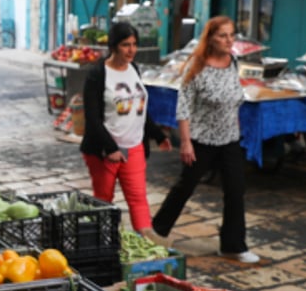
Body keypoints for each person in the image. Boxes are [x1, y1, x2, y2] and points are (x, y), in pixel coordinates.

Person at [151, 15, 259, 263]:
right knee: (185, 187)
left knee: (235, 190)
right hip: (201, 140)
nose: (228, 40)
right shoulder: (196, 66)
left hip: (229, 138)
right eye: (223, 35)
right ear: (210, 38)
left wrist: (237, 126)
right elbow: (184, 106)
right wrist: (186, 142)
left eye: (232, 35)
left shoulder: (232, 62)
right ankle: (156, 232)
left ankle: (233, 245)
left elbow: (233, 98)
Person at [80, 21, 171, 234]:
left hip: (134, 146)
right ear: (113, 46)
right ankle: (102, 243)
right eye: (125, 45)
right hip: (105, 150)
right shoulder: (98, 74)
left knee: (139, 199)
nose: (132, 50)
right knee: (104, 200)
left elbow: (138, 108)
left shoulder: (134, 69)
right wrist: (110, 148)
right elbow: (92, 118)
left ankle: (147, 243)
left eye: (134, 44)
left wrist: (157, 134)